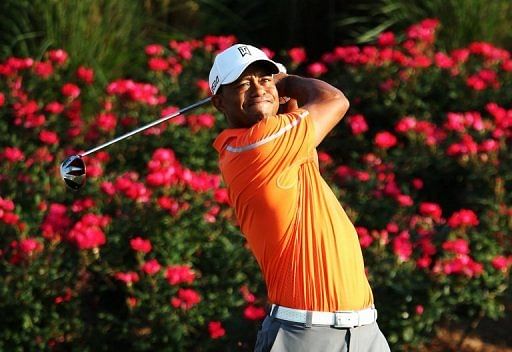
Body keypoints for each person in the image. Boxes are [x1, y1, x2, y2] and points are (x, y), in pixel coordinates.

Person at [210, 44, 390, 352]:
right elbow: (334, 100)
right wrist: (285, 80)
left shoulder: (284, 143)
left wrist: (277, 92)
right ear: (219, 102)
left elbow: (293, 110)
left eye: (263, 79)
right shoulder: (254, 146)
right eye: (242, 83)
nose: (257, 88)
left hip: (365, 332)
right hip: (304, 336)